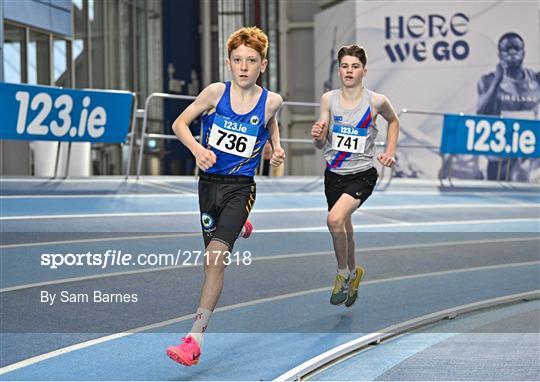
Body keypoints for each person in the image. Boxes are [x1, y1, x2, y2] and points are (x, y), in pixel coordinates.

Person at [166, 26, 285, 366]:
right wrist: (197, 150)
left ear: (262, 65)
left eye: (251, 60)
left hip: (240, 187)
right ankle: (239, 226)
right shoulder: (216, 93)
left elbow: (271, 122)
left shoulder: (272, 100)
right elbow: (179, 124)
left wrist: (276, 148)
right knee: (215, 246)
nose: (244, 66)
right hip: (208, 186)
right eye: (237, 60)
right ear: (229, 63)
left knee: (214, 260)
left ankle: (194, 337)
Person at [311, 44, 399, 307]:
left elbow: (393, 121)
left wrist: (390, 152)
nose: (350, 71)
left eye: (355, 66)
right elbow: (320, 143)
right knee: (344, 228)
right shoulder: (328, 99)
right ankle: (354, 272)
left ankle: (341, 275)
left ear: (364, 71)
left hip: (362, 174)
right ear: (339, 71)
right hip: (334, 174)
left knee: (334, 219)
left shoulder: (376, 101)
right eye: (345, 66)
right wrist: (318, 136)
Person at [477, 32, 540, 181]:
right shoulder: (488, 80)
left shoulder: (536, 79)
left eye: (516, 49)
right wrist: (496, 83)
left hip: (527, 148)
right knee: (497, 196)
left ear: (523, 52)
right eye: (507, 49)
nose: (512, 53)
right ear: (500, 55)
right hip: (500, 152)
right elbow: (481, 114)